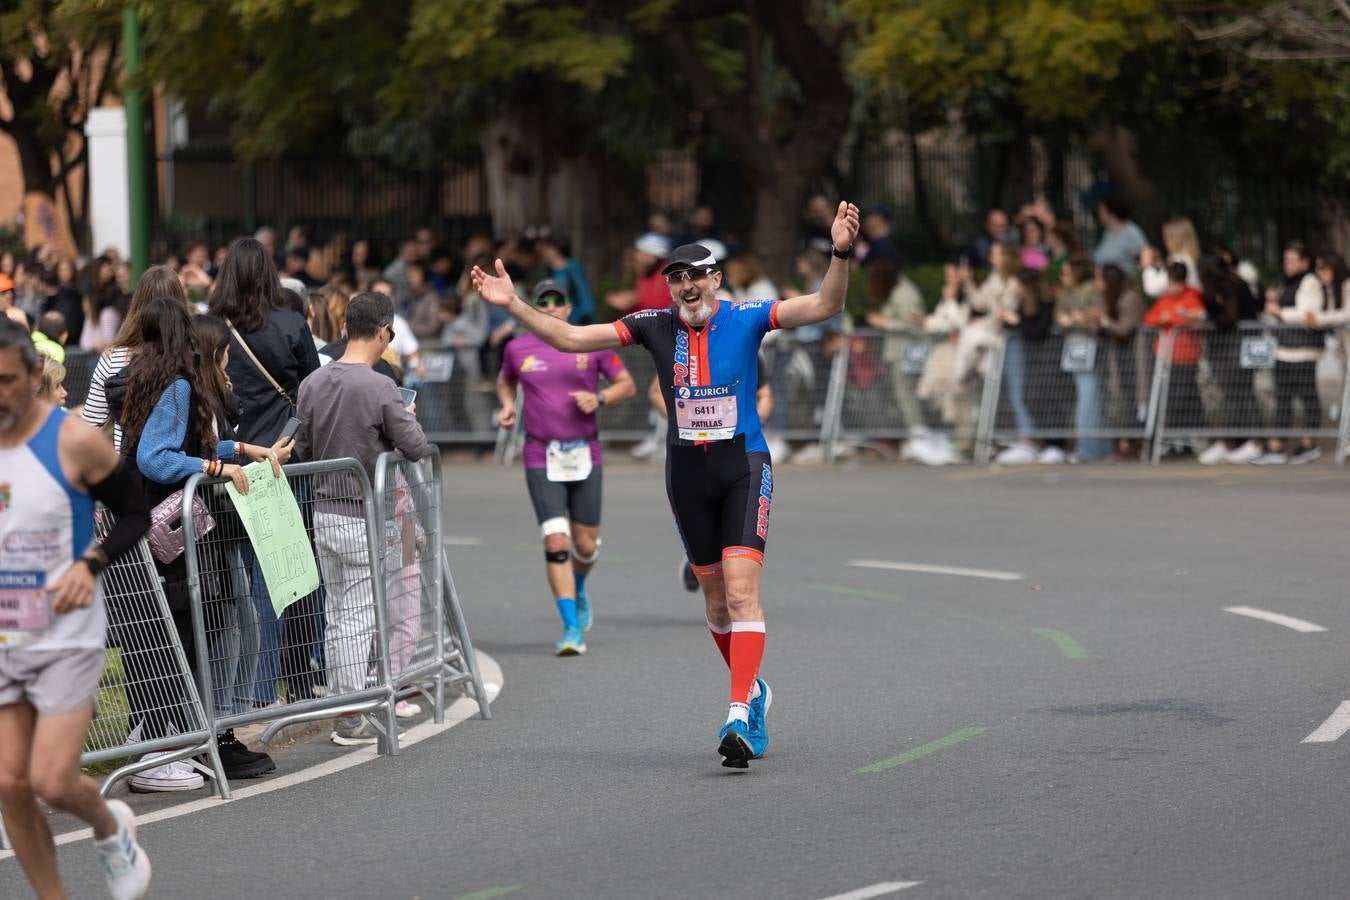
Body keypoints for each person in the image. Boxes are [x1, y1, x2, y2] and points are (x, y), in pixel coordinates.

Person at [473, 199, 861, 769]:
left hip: (743, 467)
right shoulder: (651, 326)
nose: (685, 286)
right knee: (713, 601)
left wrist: (841, 251)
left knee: (739, 589)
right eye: (676, 278)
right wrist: (515, 304)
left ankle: (736, 713)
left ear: (716, 279)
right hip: (687, 474)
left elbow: (827, 303)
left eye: (695, 275)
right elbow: (572, 339)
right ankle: (753, 688)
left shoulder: (749, 315)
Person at [0, 318, 154, 900]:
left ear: (34, 374)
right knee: (10, 784)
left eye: (6, 381)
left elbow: (135, 513)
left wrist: (90, 565)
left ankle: (111, 826)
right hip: (5, 634)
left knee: (51, 779)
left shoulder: (72, 440)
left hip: (66, 633)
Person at [118, 298, 290, 781]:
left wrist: (238, 449)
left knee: (171, 638)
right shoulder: (175, 386)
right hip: (170, 533)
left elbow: (181, 442)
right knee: (180, 637)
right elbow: (158, 457)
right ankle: (164, 751)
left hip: (151, 528)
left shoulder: (151, 379)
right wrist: (215, 466)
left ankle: (167, 743)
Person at [294, 292, 429, 745]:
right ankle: (348, 713)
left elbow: (304, 448)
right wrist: (407, 417)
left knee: (338, 615)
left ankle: (342, 702)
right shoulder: (379, 387)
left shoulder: (312, 382)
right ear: (385, 331)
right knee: (358, 618)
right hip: (364, 513)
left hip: (324, 509)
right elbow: (414, 446)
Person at [208, 237, 322, 705]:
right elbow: (312, 387)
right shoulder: (292, 324)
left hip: (227, 464)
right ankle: (263, 688)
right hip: (282, 463)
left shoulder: (214, 329)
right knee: (279, 578)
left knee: (233, 581)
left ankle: (233, 691)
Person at [496, 280, 636, 655]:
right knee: (557, 540)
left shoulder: (590, 342)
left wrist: (600, 396)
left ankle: (578, 583)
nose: (552, 307)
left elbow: (627, 384)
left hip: (585, 452)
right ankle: (571, 627)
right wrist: (508, 406)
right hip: (541, 454)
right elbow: (505, 382)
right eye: (544, 301)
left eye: (559, 301)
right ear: (535, 306)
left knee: (586, 546)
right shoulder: (517, 348)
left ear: (569, 308)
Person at [81, 266, 188, 451]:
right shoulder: (194, 357)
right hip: (189, 471)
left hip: (128, 469)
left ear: (137, 303)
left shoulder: (112, 357)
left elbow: (90, 427)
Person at [1255, 241, 1326, 464]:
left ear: (1305, 262)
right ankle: (1277, 445)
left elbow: (1308, 313)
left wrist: (1281, 311)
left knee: (1306, 396)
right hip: (1284, 349)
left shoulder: (1310, 281)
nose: (1287, 264)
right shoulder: (1286, 282)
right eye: (1285, 260)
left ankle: (1309, 443)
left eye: (1292, 260)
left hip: (1303, 350)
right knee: (1282, 397)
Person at [1196, 254, 1264, 465]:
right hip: (1239, 344)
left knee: (1236, 393)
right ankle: (1239, 440)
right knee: (1239, 394)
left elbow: (1230, 317)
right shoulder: (1235, 282)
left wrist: (1206, 319)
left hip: (1235, 345)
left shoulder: (1227, 286)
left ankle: (1240, 441)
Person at [992, 270, 1057, 465]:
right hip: (1026, 358)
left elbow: (1037, 330)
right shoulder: (1022, 304)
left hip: (1041, 358)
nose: (1017, 290)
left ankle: (1037, 441)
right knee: (1021, 395)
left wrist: (1017, 321)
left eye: (1020, 286)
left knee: (1039, 398)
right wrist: (1005, 321)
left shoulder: (1045, 303)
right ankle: (1028, 439)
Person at [1143, 261, 1207, 449]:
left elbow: (1198, 315)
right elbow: (1149, 319)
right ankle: (1177, 438)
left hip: (1185, 356)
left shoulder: (1193, 296)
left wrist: (1172, 318)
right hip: (1165, 356)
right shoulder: (1165, 299)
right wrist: (1164, 319)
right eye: (1169, 284)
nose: (1171, 288)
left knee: (1182, 398)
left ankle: (1187, 437)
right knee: (1171, 397)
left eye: (1174, 284)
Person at [1055, 255, 1109, 461]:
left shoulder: (1091, 289)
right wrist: (1074, 319)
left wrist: (1076, 319)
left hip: (1087, 344)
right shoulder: (1066, 292)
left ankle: (1091, 448)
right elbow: (1061, 316)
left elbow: (1092, 317)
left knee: (1089, 397)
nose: (1063, 277)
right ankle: (1093, 447)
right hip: (1072, 345)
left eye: (1067, 273)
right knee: (1086, 396)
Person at [1097, 264, 1146, 460]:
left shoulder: (1129, 298)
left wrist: (1105, 322)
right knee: (1123, 401)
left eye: (1101, 280)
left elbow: (1124, 329)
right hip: (1118, 358)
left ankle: (1137, 444)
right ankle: (1127, 442)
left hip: (1133, 358)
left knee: (1136, 401)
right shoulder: (1108, 297)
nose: (1098, 284)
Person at [605, 233, 672, 314]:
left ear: (652, 257)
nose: (636, 256)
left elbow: (662, 311)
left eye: (640, 253)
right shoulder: (646, 273)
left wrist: (634, 302)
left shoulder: (668, 278)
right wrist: (632, 297)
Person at [537, 237, 597, 325]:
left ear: (555, 249)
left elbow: (584, 295)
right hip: (560, 321)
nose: (542, 254)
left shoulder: (572, 267)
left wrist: (584, 318)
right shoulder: (551, 273)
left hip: (577, 321)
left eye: (544, 250)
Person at [1140, 217, 1202, 297]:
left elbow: (1152, 288)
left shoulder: (1180, 260)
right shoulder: (1187, 258)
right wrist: (1159, 265)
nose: (1165, 241)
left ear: (1175, 239)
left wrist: (1148, 266)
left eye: (1167, 237)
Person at [1091, 195, 1148, 275]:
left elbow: (1145, 255)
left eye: (1101, 210)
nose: (1099, 214)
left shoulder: (1130, 231)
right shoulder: (1107, 233)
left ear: (1111, 212)